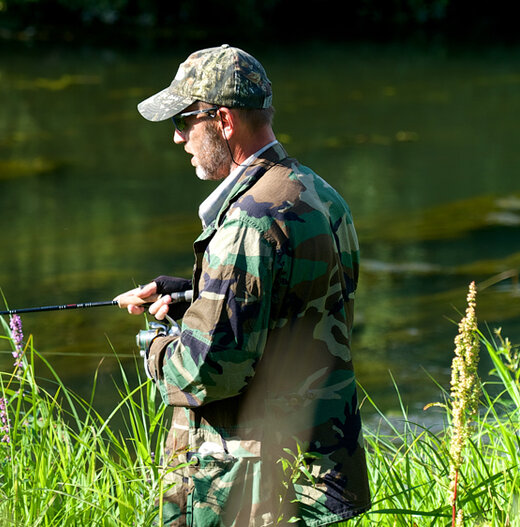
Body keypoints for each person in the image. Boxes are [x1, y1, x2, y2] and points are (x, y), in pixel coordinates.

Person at [113, 45, 371, 526]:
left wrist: (154, 346)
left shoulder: (247, 222)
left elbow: (206, 372)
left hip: (251, 487)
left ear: (224, 121)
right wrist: (194, 294)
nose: (178, 138)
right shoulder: (318, 193)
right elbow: (302, 302)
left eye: (183, 122)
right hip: (320, 466)